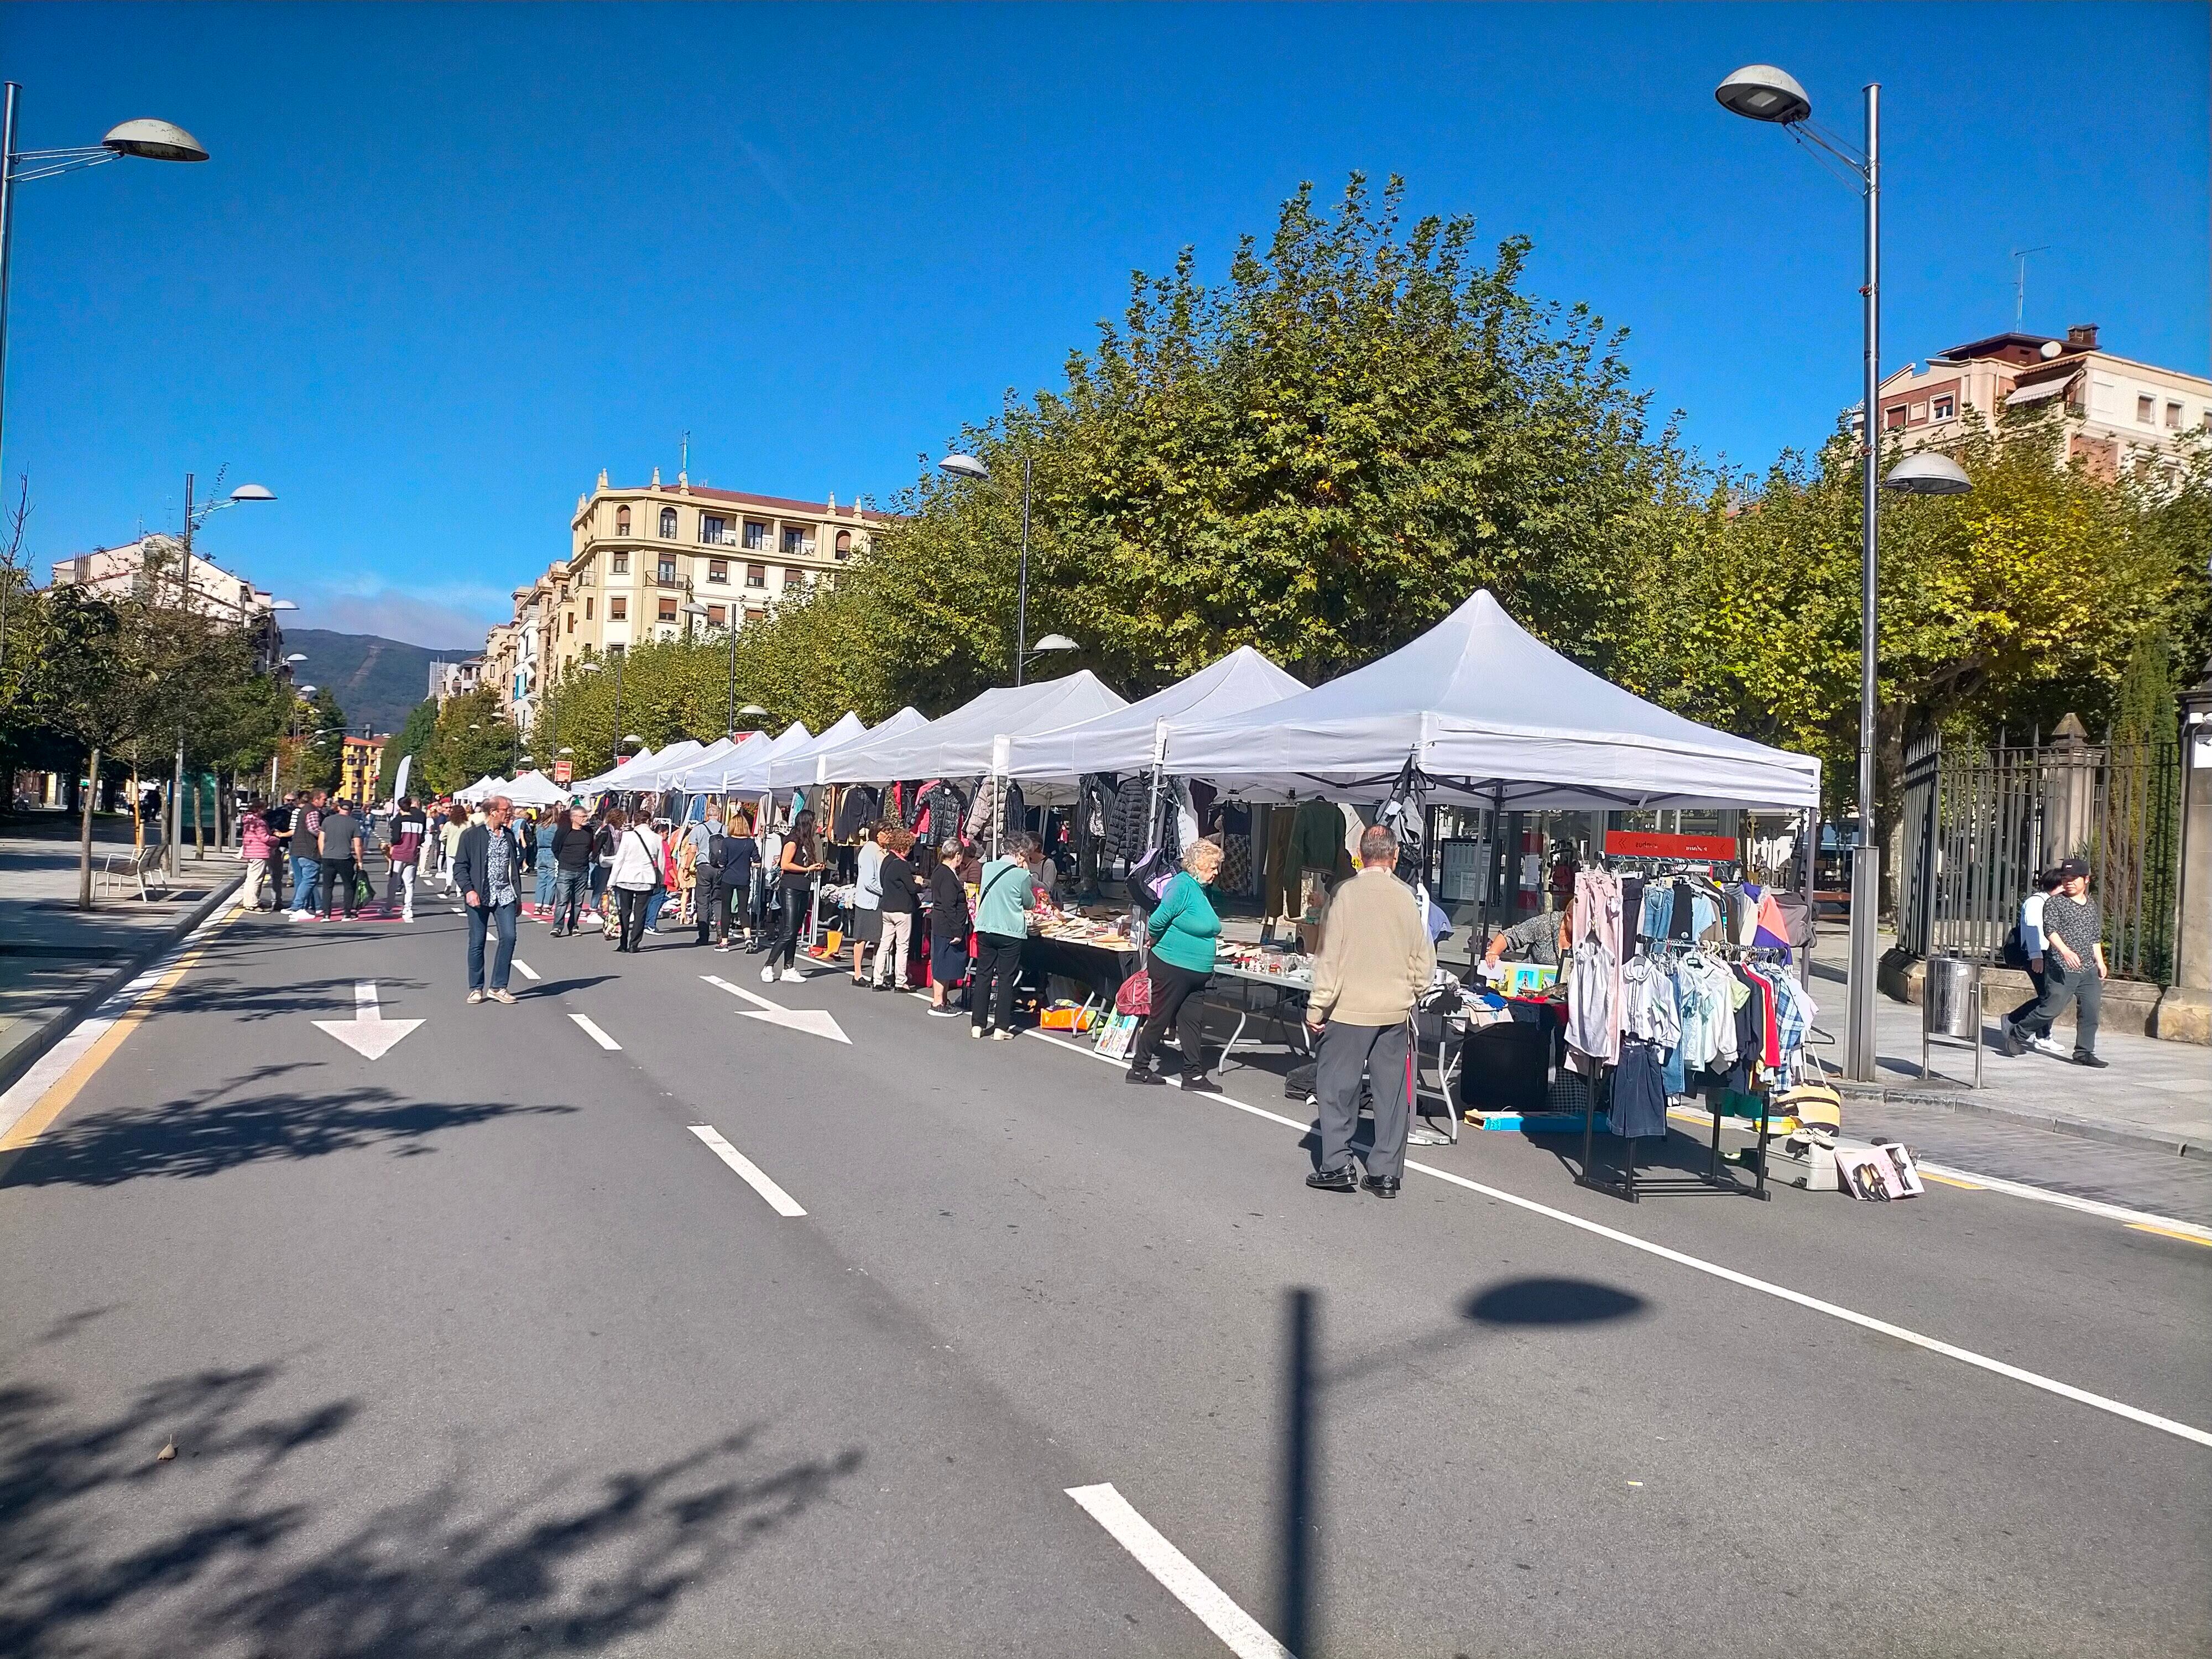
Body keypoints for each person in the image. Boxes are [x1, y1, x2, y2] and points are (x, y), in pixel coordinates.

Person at [1304, 826, 1437, 1199]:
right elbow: (1423, 958)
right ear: (1394, 857)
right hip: (1394, 1008)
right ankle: (1385, 1174)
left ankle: (1337, 1165)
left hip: (1351, 1007)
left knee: (1336, 1087)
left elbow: (1329, 958)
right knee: (1391, 1093)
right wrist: (1414, 991)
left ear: (1360, 855)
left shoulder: (1344, 895)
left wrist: (1317, 1007)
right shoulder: (1406, 897)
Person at [1128, 838, 1227, 1091]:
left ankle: (1193, 1075)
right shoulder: (1181, 886)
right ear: (1199, 864)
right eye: (1213, 867)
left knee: (1192, 1022)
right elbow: (1158, 920)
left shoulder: (1198, 889)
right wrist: (1156, 939)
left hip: (1194, 970)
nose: (1217, 873)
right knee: (1161, 1017)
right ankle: (1139, 1068)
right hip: (1173, 965)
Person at [2018, 857, 2109, 1068]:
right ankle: (2019, 1032)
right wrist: (2066, 952)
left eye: (2074, 878)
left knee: (2091, 1010)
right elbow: (2050, 931)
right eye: (2065, 878)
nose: (2069, 882)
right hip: (2061, 966)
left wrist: (2100, 962)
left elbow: (2094, 936)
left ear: (2086, 879)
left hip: (2087, 969)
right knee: (2052, 1008)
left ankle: (2084, 1053)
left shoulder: (2091, 905)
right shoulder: (2054, 903)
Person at [453, 794, 524, 1004]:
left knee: (509, 937)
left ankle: (498, 986)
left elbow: (513, 869)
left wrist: (517, 896)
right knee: (477, 941)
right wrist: (468, 890)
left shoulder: (509, 836)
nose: (510, 812)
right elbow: (460, 866)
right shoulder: (472, 836)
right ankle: (476, 988)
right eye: (506, 809)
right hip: (479, 895)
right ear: (494, 812)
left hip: (505, 895)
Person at [971, 832, 1039, 1040]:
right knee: (1005, 978)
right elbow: (1029, 903)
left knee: (983, 975)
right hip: (1009, 931)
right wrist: (1026, 874)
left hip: (986, 926)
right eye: (1026, 855)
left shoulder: (988, 867)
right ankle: (1001, 1027)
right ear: (1019, 854)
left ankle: (977, 1025)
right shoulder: (1021, 875)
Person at [1998, 867, 2064, 1057]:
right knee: (2048, 997)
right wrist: (2036, 956)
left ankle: (2027, 1027)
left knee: (2049, 996)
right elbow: (2033, 930)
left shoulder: (2050, 903)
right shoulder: (2036, 903)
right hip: (2037, 955)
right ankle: (2034, 1032)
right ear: (2056, 885)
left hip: (2047, 954)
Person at [764, 810, 825, 982]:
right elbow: (786, 864)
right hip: (790, 886)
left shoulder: (808, 841)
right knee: (789, 929)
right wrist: (807, 869)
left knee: (794, 930)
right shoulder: (793, 839)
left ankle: (788, 967)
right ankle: (769, 965)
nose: (816, 825)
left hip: (803, 887)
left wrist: (816, 866)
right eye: (814, 822)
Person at [604, 806, 664, 953]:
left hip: (626, 877)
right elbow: (661, 863)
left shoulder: (628, 836)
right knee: (641, 912)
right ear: (649, 822)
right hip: (646, 879)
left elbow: (620, 860)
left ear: (634, 821)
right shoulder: (657, 838)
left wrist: (612, 881)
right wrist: (660, 880)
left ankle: (623, 942)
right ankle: (634, 943)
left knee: (625, 911)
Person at [872, 827, 922, 992]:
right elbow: (912, 888)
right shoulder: (901, 865)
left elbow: (882, 881)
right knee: (902, 946)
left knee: (884, 945)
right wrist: (920, 884)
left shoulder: (887, 860)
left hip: (887, 907)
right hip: (902, 910)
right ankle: (901, 981)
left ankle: (877, 979)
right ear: (903, 848)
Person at [927, 840, 973, 1015]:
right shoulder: (946, 874)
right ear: (957, 855)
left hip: (946, 924)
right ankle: (938, 1001)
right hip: (946, 926)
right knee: (943, 962)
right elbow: (948, 904)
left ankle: (944, 1000)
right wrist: (957, 930)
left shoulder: (944, 871)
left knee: (947, 964)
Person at [709, 809, 760, 952]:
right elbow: (758, 861)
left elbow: (722, 862)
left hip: (728, 878)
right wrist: (748, 863)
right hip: (744, 878)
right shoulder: (750, 843)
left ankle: (724, 943)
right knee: (743, 910)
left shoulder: (727, 842)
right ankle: (748, 938)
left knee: (726, 910)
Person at [1483, 898, 1573, 971]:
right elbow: (1511, 935)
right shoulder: (1545, 924)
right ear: (1569, 916)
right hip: (1529, 986)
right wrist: (1493, 953)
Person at [547, 806, 594, 936]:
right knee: (562, 900)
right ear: (574, 818)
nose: (586, 819)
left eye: (586, 816)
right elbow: (555, 847)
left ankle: (574, 926)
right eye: (582, 816)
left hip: (583, 870)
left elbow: (591, 848)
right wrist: (563, 861)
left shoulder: (588, 832)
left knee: (578, 901)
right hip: (566, 870)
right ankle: (557, 926)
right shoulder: (564, 831)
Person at [849, 821, 885, 984]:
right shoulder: (869, 850)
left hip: (878, 901)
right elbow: (869, 880)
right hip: (868, 901)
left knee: (878, 937)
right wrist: (886, 892)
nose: (890, 835)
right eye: (887, 832)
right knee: (862, 937)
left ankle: (876, 972)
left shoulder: (881, 850)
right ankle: (857, 973)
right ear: (878, 834)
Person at [316, 800, 366, 920]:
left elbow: (321, 839)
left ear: (339, 808)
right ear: (351, 810)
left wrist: (324, 855)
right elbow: (358, 845)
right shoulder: (353, 823)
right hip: (344, 858)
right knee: (348, 886)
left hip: (328, 857)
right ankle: (346, 914)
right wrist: (360, 860)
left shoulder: (327, 821)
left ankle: (326, 914)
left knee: (327, 887)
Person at [386, 796, 427, 922]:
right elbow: (422, 839)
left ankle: (388, 907)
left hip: (399, 854)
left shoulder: (398, 821)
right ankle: (408, 909)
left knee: (393, 881)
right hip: (412, 854)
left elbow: (396, 838)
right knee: (409, 884)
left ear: (399, 807)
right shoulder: (419, 822)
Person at [691, 805, 727, 947]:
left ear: (707, 815)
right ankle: (720, 930)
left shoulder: (699, 829)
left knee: (702, 900)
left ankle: (703, 935)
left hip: (704, 866)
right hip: (720, 868)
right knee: (718, 900)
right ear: (719, 815)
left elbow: (693, 849)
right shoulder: (725, 828)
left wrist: (687, 866)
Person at [288, 790, 326, 920]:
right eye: (323, 799)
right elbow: (313, 828)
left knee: (304, 879)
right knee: (309, 880)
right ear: (316, 799)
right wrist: (325, 835)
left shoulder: (305, 810)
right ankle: (298, 907)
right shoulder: (313, 811)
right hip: (309, 850)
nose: (325, 802)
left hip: (298, 849)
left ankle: (304, 906)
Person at [238, 797, 273, 911]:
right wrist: (276, 839)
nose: (266, 810)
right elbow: (265, 838)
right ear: (258, 809)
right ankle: (253, 903)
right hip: (259, 853)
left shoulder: (248, 820)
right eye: (264, 808)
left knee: (250, 879)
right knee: (257, 879)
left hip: (251, 852)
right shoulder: (259, 823)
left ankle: (249, 901)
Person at [263, 792, 294, 908]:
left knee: (277, 874)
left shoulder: (295, 812)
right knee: (275, 874)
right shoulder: (277, 813)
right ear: (284, 800)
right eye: (288, 800)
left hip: (289, 843)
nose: (290, 803)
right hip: (277, 843)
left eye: (292, 800)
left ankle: (277, 900)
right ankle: (276, 901)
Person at [531, 811, 561, 917]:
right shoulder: (555, 827)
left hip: (541, 853)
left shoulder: (539, 826)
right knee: (552, 880)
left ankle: (538, 905)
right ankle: (547, 906)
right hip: (552, 853)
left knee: (541, 880)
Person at [438, 804, 468, 894]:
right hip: (463, 851)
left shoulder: (449, 824)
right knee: (462, 870)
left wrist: (446, 842)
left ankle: (448, 884)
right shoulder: (468, 824)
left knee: (450, 869)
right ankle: (459, 889)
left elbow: (441, 837)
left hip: (450, 850)